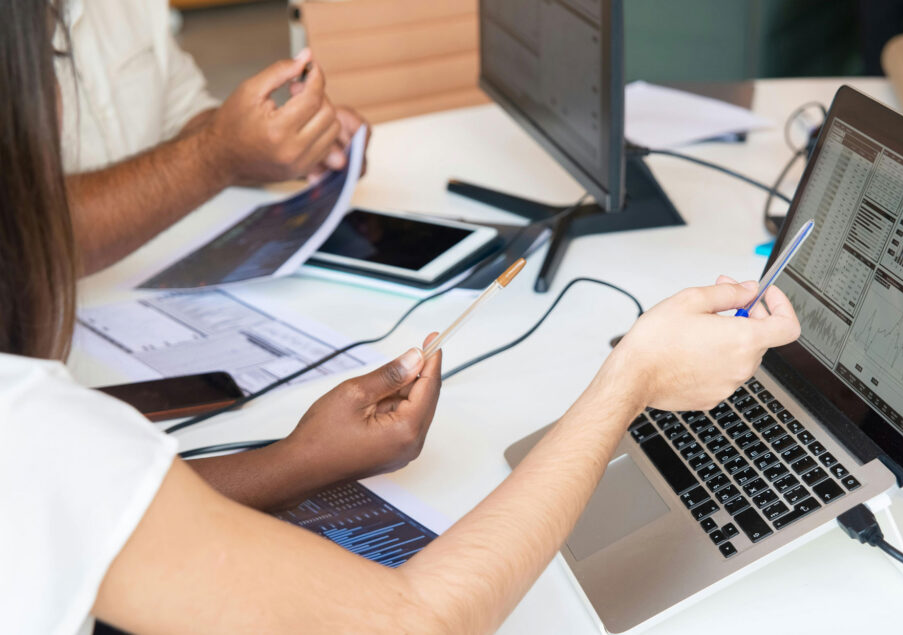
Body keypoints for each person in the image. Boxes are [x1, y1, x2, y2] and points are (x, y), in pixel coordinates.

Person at [2, 2, 802, 633]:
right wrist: (630, 379)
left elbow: (107, 514)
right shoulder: (35, 430)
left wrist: (299, 458)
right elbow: (414, 620)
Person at [56, 0, 367, 275]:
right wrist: (217, 155)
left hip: (149, 270)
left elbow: (184, 117)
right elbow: (35, 233)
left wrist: (280, 138)